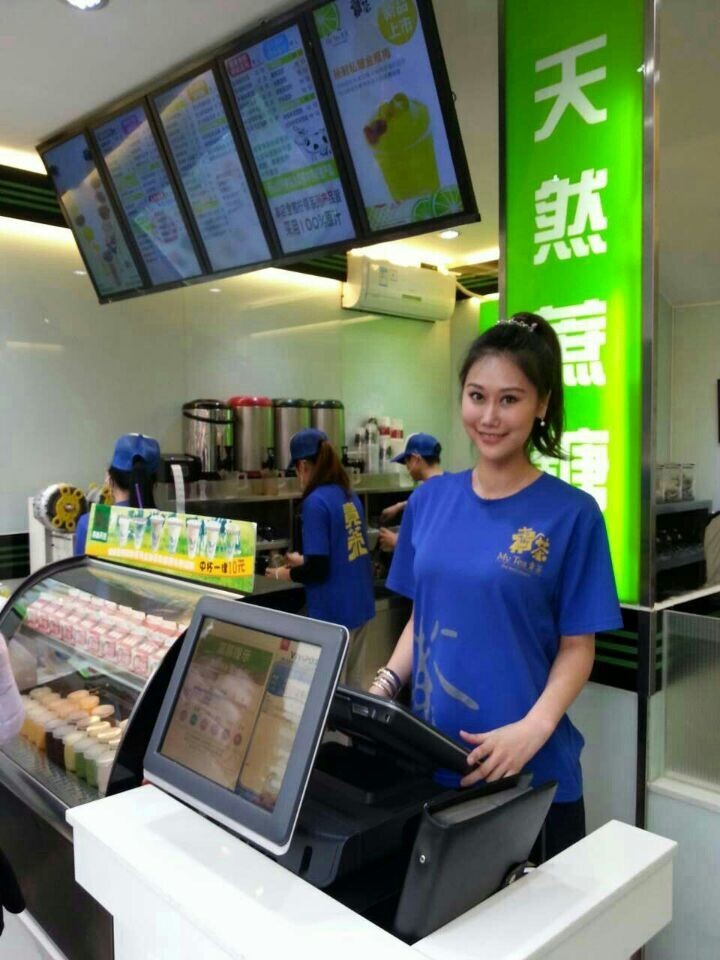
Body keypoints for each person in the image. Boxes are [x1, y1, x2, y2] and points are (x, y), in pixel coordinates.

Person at [371, 313, 622, 861]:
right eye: (476, 396)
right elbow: (423, 617)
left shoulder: (573, 515)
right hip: (432, 766)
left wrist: (533, 728)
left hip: (530, 777)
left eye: (509, 399)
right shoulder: (429, 502)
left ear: (542, 404)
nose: (488, 417)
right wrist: (383, 686)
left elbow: (578, 647)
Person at [266, 428, 376, 688]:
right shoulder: (349, 495)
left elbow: (318, 570)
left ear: (303, 466)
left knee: (327, 695)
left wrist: (282, 573)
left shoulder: (315, 503)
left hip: (334, 615)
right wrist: (303, 561)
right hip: (360, 607)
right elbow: (342, 553)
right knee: (353, 692)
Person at [74, 433, 161, 555]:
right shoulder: (170, 524)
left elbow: (82, 566)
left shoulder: (94, 522)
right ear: (154, 482)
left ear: (109, 478)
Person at [378, 433, 444, 551]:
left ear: (415, 459)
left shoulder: (421, 493)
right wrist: (399, 506)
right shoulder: (449, 484)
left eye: (406, 462)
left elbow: (433, 541)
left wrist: (397, 541)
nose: (407, 467)